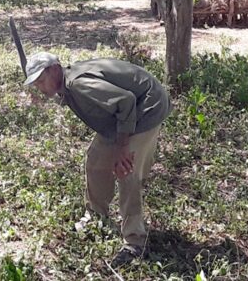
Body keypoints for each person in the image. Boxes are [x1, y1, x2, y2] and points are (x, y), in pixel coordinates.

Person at [23, 52, 171, 267]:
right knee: (96, 160)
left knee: (126, 169)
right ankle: (96, 216)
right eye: (36, 84)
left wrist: (121, 148)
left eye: (41, 81)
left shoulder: (79, 83)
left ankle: (135, 241)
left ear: (55, 69)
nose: (40, 87)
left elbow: (126, 101)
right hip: (120, 116)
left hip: (146, 107)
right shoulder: (66, 83)